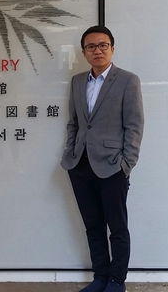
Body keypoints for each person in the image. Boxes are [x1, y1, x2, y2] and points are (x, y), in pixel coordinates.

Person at [61, 26, 144, 292]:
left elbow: (134, 125)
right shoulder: (77, 82)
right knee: (93, 226)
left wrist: (126, 164)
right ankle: (100, 277)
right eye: (91, 46)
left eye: (103, 45)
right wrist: (71, 151)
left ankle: (117, 281)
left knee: (117, 228)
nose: (97, 50)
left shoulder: (128, 80)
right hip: (80, 165)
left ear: (112, 48)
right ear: (84, 52)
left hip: (112, 166)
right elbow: (74, 123)